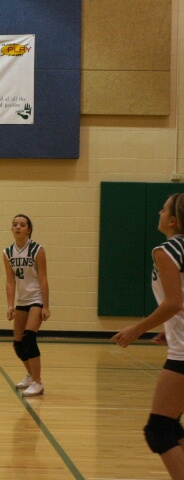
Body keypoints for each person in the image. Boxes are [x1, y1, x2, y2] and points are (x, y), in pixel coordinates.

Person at [112, 193, 184, 479]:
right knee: (171, 424)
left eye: (163, 209)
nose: (159, 213)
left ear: (173, 220)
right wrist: (170, 329)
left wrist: (137, 328)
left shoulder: (165, 250)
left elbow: (174, 302)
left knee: (159, 429)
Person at [3, 214, 50, 397]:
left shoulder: (37, 250)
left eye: (22, 225)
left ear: (29, 229)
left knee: (29, 338)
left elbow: (44, 279)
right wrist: (10, 305)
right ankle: (31, 375)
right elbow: (10, 281)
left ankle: (38, 382)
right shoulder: (7, 252)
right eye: (15, 224)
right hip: (22, 300)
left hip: (36, 298)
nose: (18, 227)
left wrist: (46, 306)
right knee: (18, 343)